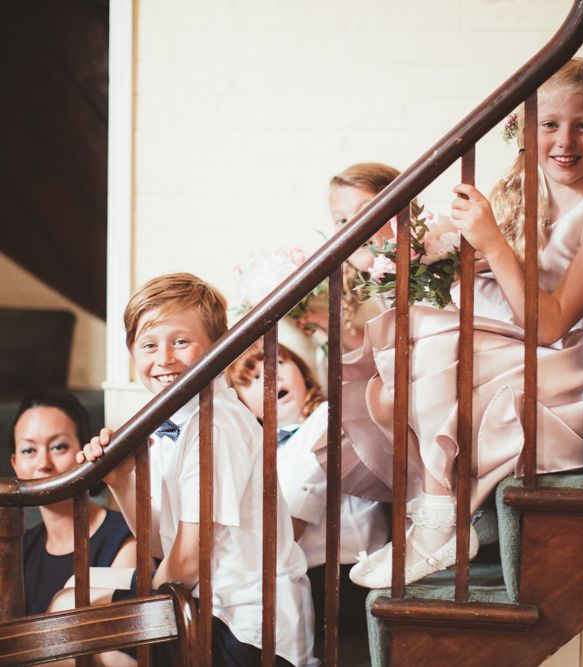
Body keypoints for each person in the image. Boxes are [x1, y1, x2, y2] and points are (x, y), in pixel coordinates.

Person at [341, 58, 583, 588]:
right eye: (550, 124)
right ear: (525, 129)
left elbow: (552, 325)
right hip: (538, 354)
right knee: (388, 391)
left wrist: (491, 241)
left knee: (438, 353)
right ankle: (446, 514)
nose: (565, 140)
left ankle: (442, 521)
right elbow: (507, 297)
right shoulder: (529, 200)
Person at [71, 273, 317, 667]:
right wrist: (120, 479)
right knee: (73, 596)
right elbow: (159, 544)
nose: (164, 358)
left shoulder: (215, 425)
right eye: (149, 345)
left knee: (69, 621)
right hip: (206, 605)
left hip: (248, 632)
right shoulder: (179, 422)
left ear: (217, 348)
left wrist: (136, 606)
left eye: (180, 341)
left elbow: (185, 564)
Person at [227, 340, 388, 639]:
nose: (271, 377)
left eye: (279, 364)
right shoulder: (255, 453)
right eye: (254, 379)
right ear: (242, 403)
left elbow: (296, 509)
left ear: (302, 371)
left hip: (351, 570)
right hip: (298, 574)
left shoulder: (328, 414)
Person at [9, 389, 136, 616]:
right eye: (29, 450)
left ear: (84, 452)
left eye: (58, 447)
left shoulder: (125, 541)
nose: (43, 464)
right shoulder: (19, 549)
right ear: (15, 464)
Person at [295, 162, 402, 351]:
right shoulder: (351, 285)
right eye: (342, 220)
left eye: (365, 211)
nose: (353, 228)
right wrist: (327, 323)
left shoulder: (433, 269)